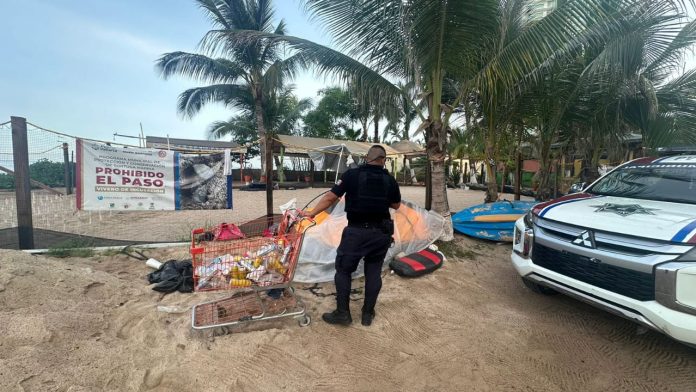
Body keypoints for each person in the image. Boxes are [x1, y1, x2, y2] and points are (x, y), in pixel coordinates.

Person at [304, 145, 401, 326]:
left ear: (366, 158)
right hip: (381, 233)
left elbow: (330, 198)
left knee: (343, 271)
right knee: (373, 273)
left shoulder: (351, 175)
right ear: (383, 160)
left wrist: (312, 213)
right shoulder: (390, 180)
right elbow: (396, 205)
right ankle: (367, 314)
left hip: (356, 233)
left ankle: (343, 314)